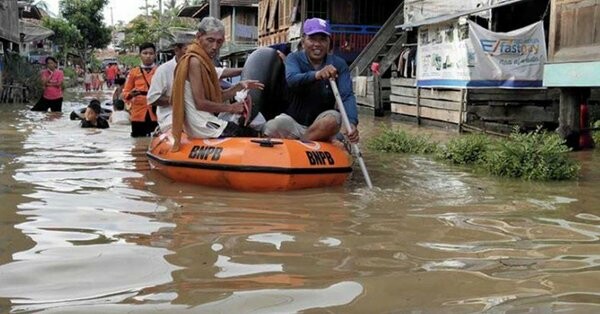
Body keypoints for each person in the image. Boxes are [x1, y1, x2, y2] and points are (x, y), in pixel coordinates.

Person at [170, 17, 264, 151]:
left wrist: (240, 86)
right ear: (199, 37)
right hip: (200, 124)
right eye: (210, 40)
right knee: (251, 136)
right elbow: (201, 103)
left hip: (205, 119)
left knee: (250, 130)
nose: (215, 47)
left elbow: (216, 97)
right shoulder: (195, 61)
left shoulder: (204, 61)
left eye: (219, 42)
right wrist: (231, 108)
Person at [262, 18, 359, 144]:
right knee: (270, 128)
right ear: (303, 41)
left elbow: (347, 96)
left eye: (323, 39)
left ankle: (302, 142)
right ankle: (304, 142)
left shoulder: (339, 64)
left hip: (321, 124)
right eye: (312, 39)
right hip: (294, 121)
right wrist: (317, 75)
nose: (317, 44)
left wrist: (351, 122)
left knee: (334, 119)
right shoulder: (294, 58)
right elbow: (292, 79)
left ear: (329, 42)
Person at [122, 42, 158, 137]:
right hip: (138, 113)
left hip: (156, 111)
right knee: (137, 142)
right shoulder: (133, 72)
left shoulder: (160, 71)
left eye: (151, 53)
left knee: (156, 139)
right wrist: (131, 94)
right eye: (145, 53)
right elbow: (125, 93)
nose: (148, 56)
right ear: (140, 55)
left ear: (155, 55)